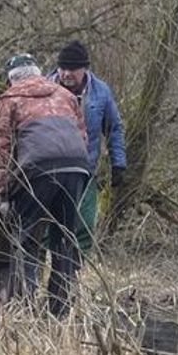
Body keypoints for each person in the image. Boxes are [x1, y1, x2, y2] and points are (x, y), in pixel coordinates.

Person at [0, 53, 91, 318]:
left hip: (37, 170)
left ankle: (23, 309)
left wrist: (4, 193)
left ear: (11, 79)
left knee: (25, 238)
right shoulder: (66, 95)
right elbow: (83, 137)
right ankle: (59, 312)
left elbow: (4, 150)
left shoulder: (10, 99)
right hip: (76, 169)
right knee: (64, 239)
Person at [46, 39, 126, 254]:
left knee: (84, 225)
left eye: (72, 69)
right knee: (46, 225)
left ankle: (72, 271)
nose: (66, 74)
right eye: (62, 68)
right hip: (49, 169)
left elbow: (114, 128)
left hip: (85, 169)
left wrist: (118, 163)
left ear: (85, 68)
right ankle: (37, 274)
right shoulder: (46, 88)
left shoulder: (100, 93)